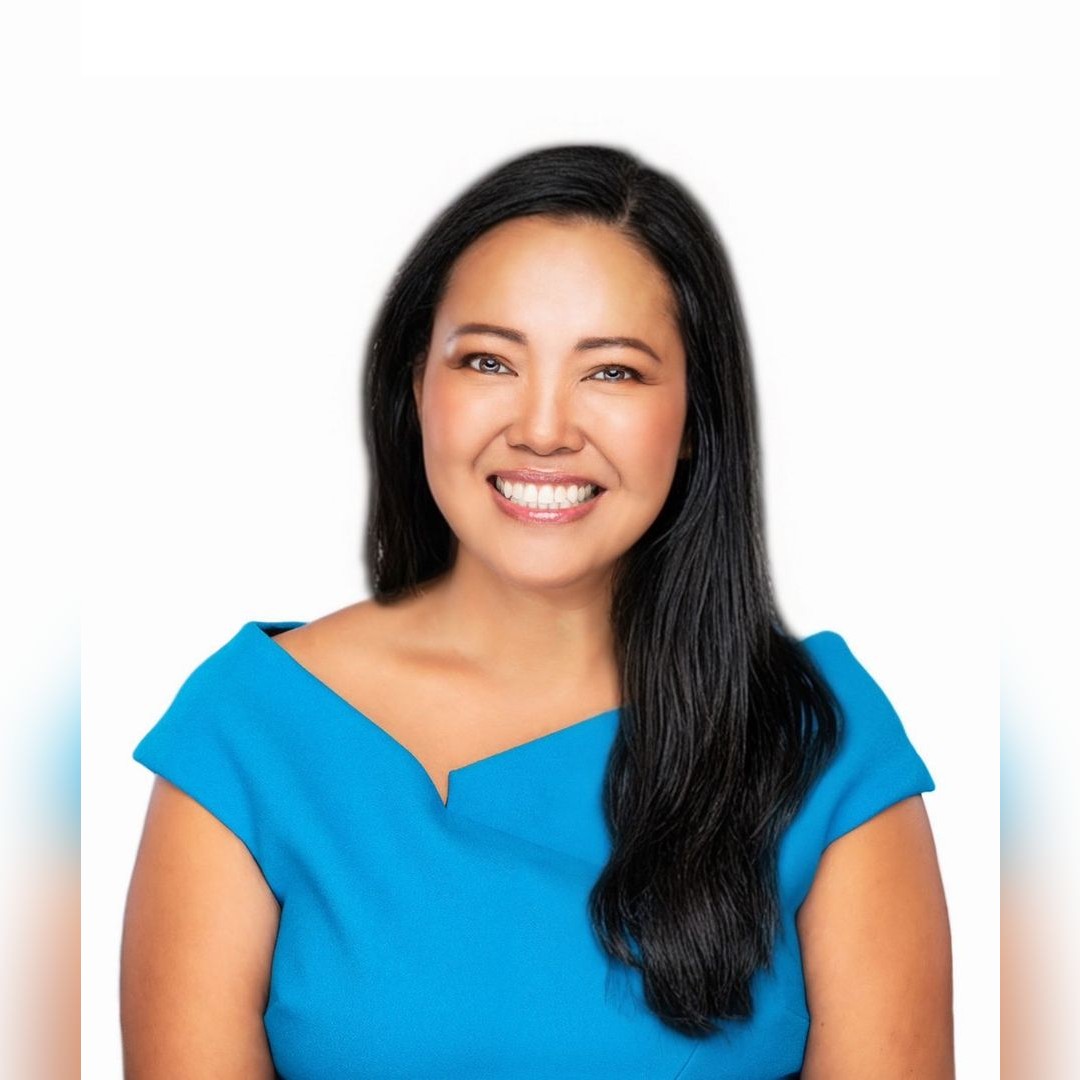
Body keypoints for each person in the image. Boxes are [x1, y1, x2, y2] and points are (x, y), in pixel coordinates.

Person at [120, 144, 954, 1078]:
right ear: (417, 387)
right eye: (489, 361)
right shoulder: (251, 735)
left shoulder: (818, 739)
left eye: (614, 372)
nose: (545, 430)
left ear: (694, 420)